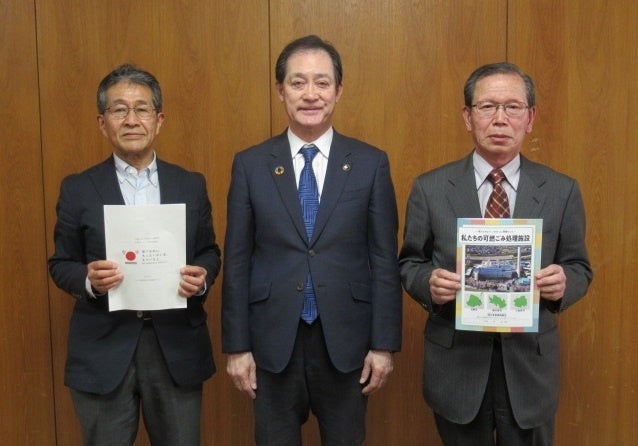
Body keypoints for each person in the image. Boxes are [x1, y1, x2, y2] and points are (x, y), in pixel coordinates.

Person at [399, 62, 593, 445]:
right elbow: (409, 263)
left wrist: (564, 283)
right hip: (457, 365)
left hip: (529, 369)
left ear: (530, 118)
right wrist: (429, 283)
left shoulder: (562, 190)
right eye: (487, 107)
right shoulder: (430, 188)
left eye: (513, 107)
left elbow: (579, 267)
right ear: (467, 117)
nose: (500, 119)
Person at [222, 35, 402, 445]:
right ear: (280, 90)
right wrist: (237, 347)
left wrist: (383, 345)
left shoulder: (370, 163)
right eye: (298, 82)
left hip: (347, 343)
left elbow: (384, 260)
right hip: (271, 342)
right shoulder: (251, 164)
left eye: (322, 82)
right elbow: (237, 260)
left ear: (338, 91)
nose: (310, 94)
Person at [48, 64, 221, 446]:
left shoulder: (190, 184)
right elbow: (61, 263)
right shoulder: (78, 189)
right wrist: (88, 280)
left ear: (159, 120)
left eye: (142, 109)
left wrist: (202, 277)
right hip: (103, 350)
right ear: (102, 122)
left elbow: (209, 251)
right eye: (119, 110)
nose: (131, 120)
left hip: (176, 346)